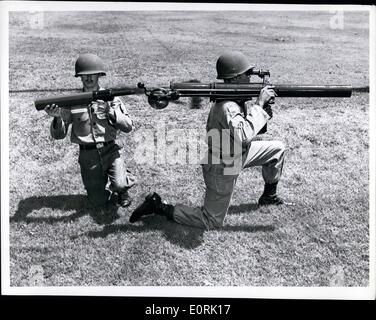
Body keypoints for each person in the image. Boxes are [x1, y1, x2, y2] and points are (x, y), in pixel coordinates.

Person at [129, 51, 285, 229]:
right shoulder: (228, 106)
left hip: (238, 152)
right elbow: (244, 134)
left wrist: (263, 113)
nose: (250, 78)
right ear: (234, 78)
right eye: (247, 74)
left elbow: (244, 132)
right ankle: (159, 206)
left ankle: (269, 196)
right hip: (223, 165)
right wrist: (259, 105)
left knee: (277, 149)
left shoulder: (235, 98)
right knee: (211, 220)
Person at [44, 53, 136, 215]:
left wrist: (111, 112)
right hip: (88, 157)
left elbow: (128, 126)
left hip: (110, 151)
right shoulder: (72, 102)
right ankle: (106, 184)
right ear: (79, 77)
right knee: (98, 202)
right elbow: (59, 135)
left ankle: (122, 186)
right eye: (84, 75)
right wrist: (58, 118)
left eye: (92, 74)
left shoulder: (111, 98)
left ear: (99, 75)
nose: (88, 79)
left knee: (120, 184)